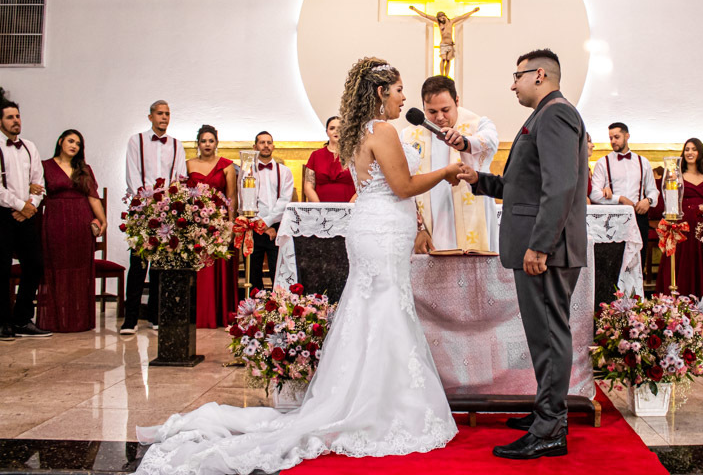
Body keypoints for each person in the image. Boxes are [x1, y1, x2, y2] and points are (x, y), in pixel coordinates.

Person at [135, 57, 462, 474]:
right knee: (384, 311)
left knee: (372, 309)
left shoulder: (359, 132)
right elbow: (404, 186)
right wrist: (447, 170)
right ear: (381, 93)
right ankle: (383, 406)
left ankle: (366, 396)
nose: (402, 97)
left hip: (373, 229)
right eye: (398, 90)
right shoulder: (382, 131)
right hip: (382, 230)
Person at [459, 48, 588, 460]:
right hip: (540, 244)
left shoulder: (556, 114)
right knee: (542, 335)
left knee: (549, 335)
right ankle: (547, 413)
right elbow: (527, 187)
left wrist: (540, 245)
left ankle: (550, 428)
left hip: (546, 249)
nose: (511, 84)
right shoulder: (543, 115)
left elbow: (562, 186)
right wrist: (480, 181)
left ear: (538, 74)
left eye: (516, 76)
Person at [402, 76, 499, 253]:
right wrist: (419, 229)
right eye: (431, 111)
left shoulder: (478, 124)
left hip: (474, 220)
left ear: (457, 101)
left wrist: (465, 143)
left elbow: (491, 141)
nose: (439, 117)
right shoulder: (408, 136)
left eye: (445, 109)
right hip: (431, 224)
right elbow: (404, 186)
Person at [121, 100, 187, 334]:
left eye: (167, 114)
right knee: (138, 263)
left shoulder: (177, 145)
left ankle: (155, 316)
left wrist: (169, 205)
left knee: (161, 265)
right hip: (142, 209)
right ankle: (130, 319)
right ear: (150, 117)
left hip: (167, 211)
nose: (164, 118)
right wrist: (146, 201)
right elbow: (133, 174)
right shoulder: (136, 141)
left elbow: (180, 178)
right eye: (160, 113)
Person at [36, 130, 107, 333]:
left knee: (80, 268)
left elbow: (93, 197)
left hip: (80, 222)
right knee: (56, 266)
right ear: (60, 141)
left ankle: (79, 319)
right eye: (70, 141)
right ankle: (56, 319)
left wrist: (103, 221)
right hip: (55, 221)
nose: (74, 146)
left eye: (78, 143)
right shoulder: (45, 166)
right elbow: (38, 192)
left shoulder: (84, 169)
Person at [0, 95, 50, 339]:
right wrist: (21, 204)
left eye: (18, 116)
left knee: (35, 264)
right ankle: (3, 322)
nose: (16, 121)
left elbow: (38, 181)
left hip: (27, 214)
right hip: (2, 214)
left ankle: (22, 319)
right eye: (10, 117)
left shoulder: (30, 146)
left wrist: (31, 205)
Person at [656, 138, 703, 311]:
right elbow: (669, 200)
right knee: (682, 266)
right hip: (683, 227)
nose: (690, 152)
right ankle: (679, 308)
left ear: (700, 153)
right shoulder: (676, 175)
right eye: (687, 149)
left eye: (694, 149)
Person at [589, 122, 659, 275]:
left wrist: (648, 201)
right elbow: (594, 194)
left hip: (639, 217)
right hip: (613, 219)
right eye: (610, 138)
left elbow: (654, 191)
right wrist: (619, 198)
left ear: (627, 136)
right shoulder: (603, 163)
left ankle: (636, 297)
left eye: (616, 137)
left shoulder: (643, 162)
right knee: (613, 265)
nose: (613, 141)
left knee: (638, 262)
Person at [186, 124, 237, 329]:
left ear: (217, 142)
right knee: (199, 268)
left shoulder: (226, 165)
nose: (207, 144)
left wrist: (231, 223)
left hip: (219, 220)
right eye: (203, 141)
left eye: (211, 140)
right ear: (198, 143)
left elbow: (231, 196)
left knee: (218, 267)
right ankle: (198, 314)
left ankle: (219, 313)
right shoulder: (188, 164)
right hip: (196, 221)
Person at [245, 131, 293, 291]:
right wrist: (261, 226)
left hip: (277, 229)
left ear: (273, 146)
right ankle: (253, 310)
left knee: (277, 272)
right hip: (253, 228)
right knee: (253, 275)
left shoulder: (284, 172)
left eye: (269, 142)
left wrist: (267, 223)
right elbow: (246, 200)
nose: (266, 145)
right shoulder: (247, 172)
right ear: (255, 147)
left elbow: (285, 201)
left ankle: (277, 310)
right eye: (262, 142)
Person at [409, 5, 480, 76]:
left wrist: (473, 11)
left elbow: (462, 17)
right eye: (439, 17)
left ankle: (446, 75)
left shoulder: (451, 21)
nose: (441, 18)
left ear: (445, 16)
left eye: (442, 17)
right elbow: (426, 16)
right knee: (443, 59)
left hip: (450, 44)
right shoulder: (438, 22)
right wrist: (415, 9)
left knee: (448, 60)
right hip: (443, 44)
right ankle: (442, 74)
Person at [303, 116, 356, 203]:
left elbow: (362, 185)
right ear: (327, 132)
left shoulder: (354, 155)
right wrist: (320, 209)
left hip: (349, 209)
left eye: (340, 128)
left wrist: (349, 208)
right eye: (332, 128)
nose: (336, 131)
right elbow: (308, 186)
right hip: (320, 210)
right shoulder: (315, 155)